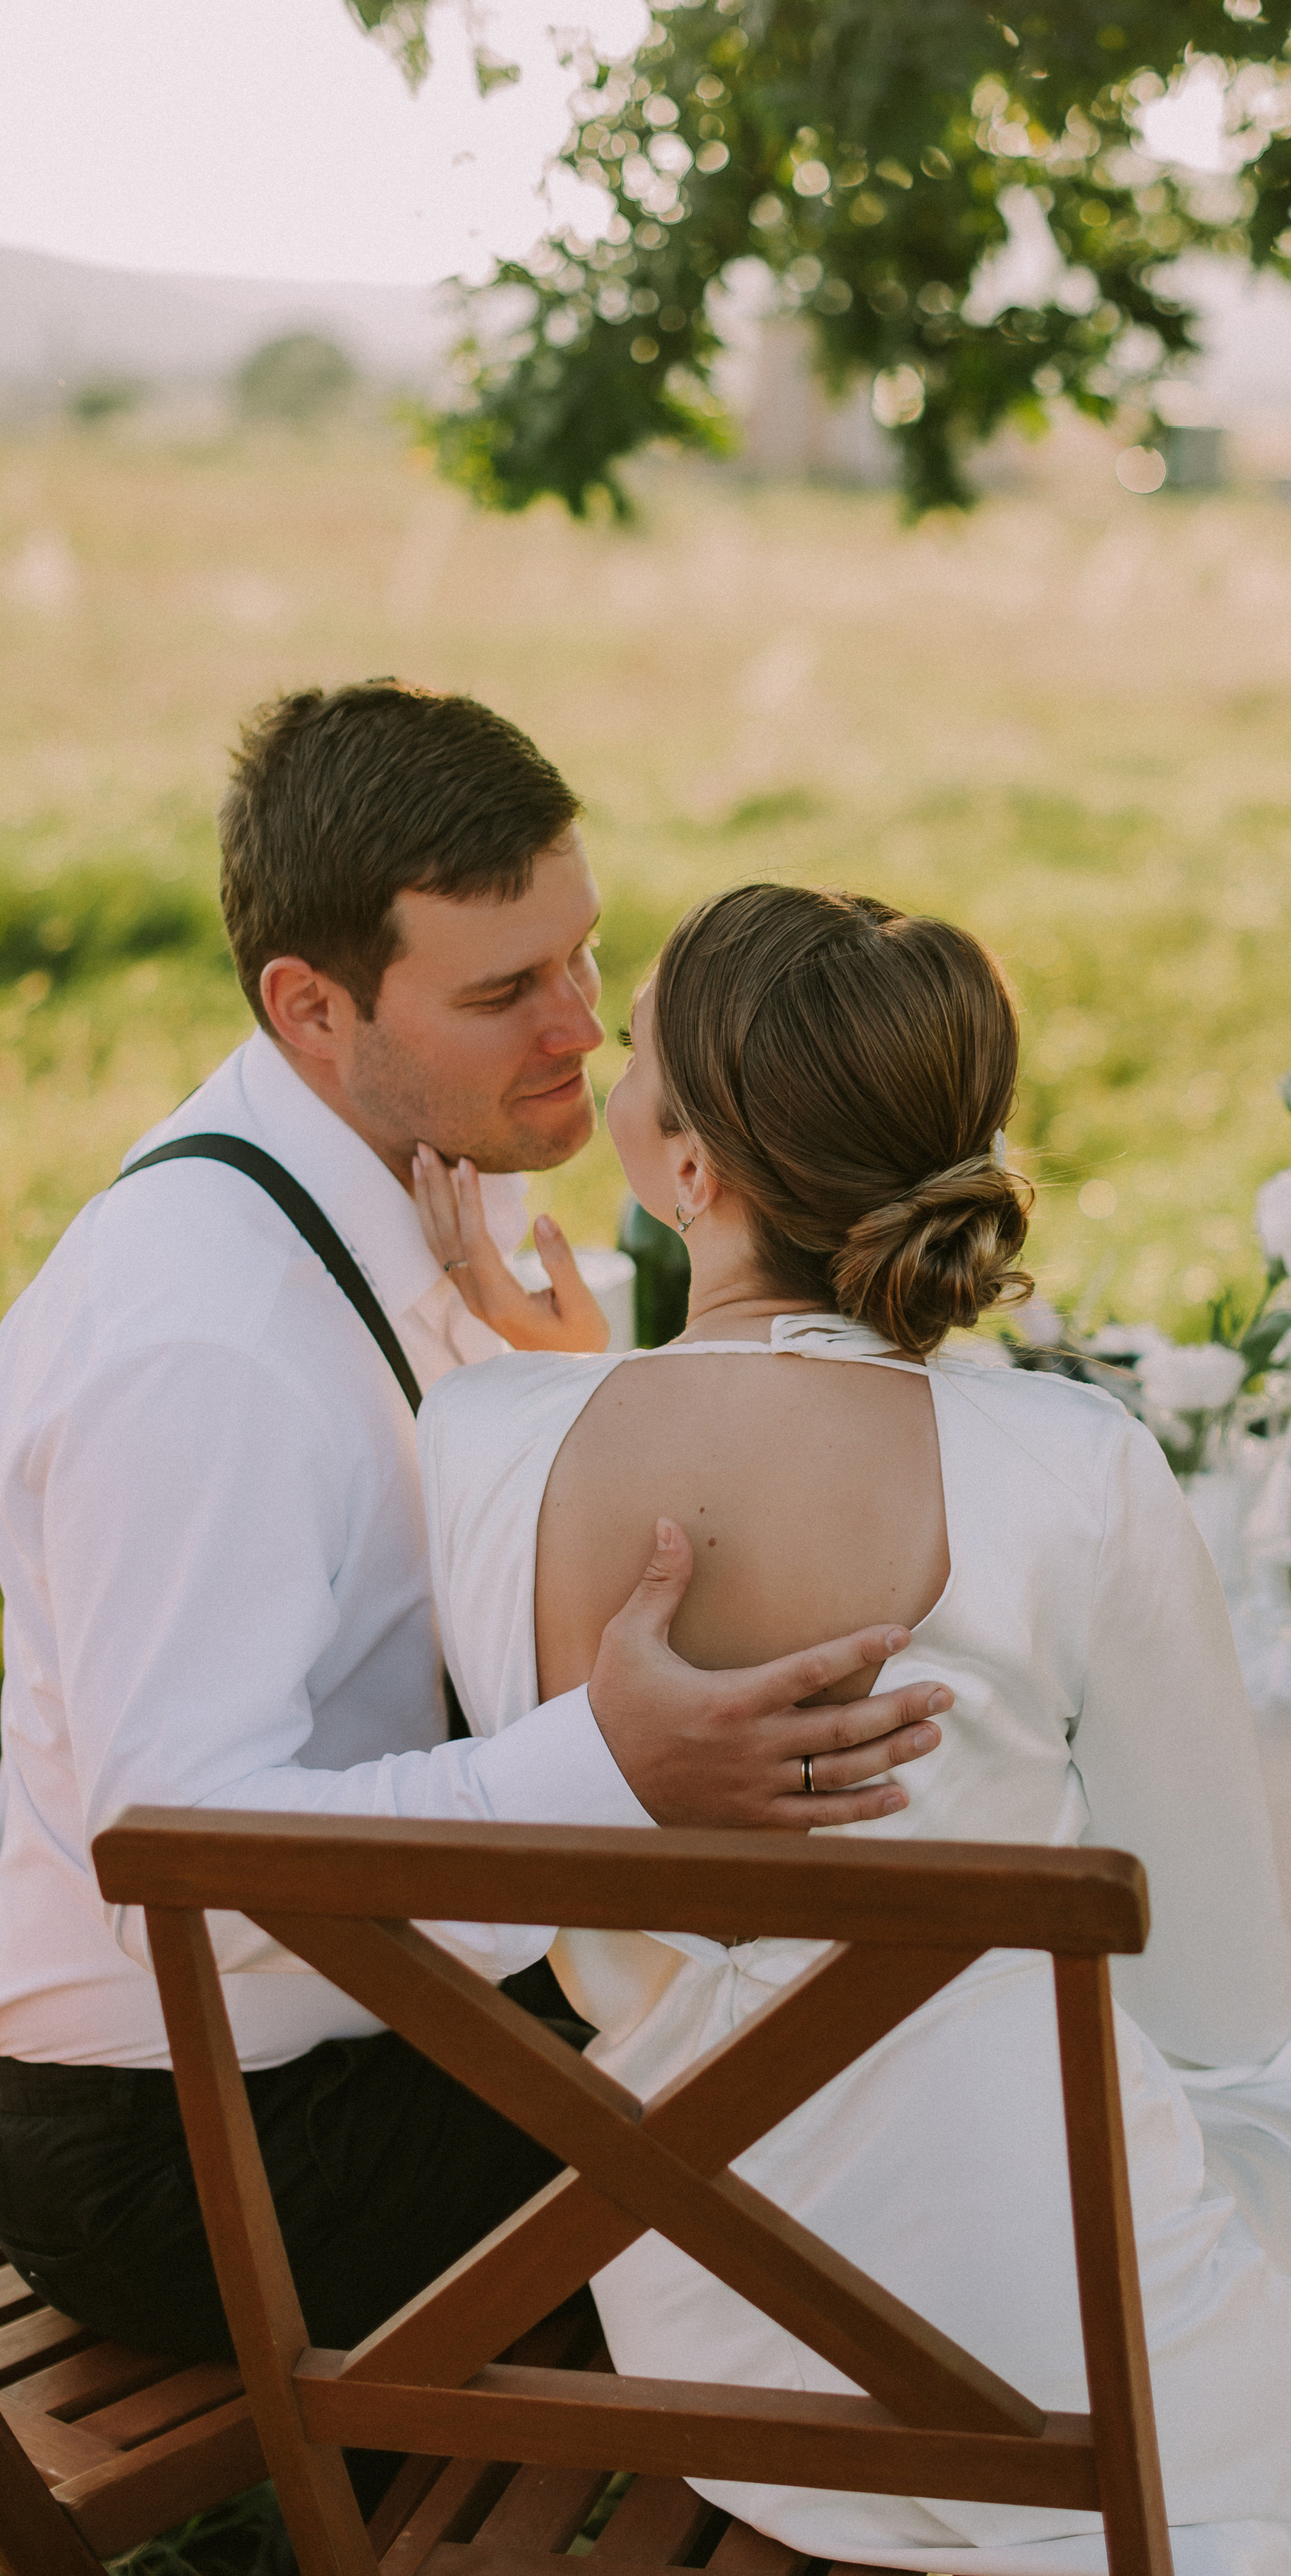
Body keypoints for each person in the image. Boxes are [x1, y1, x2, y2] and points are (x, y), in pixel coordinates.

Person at [418, 881, 1291, 2576]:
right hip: (1054, 2368)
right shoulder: (1064, 1462)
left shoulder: (479, 1440)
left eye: (637, 1051)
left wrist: (562, 1369)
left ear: (694, 1169)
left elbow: (685, 1436)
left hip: (716, 2344)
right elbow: (1221, 2008)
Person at [0, 687, 952, 2417]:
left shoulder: (435, 1177)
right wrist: (607, 1763)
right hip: (197, 2146)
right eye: (506, 990)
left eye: (582, 959)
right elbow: (180, 1869)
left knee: (857, 2024)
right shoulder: (202, 1346)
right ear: (309, 1004)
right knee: (862, 2110)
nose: (581, 1030)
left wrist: (569, 1393)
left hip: (376, 2026)